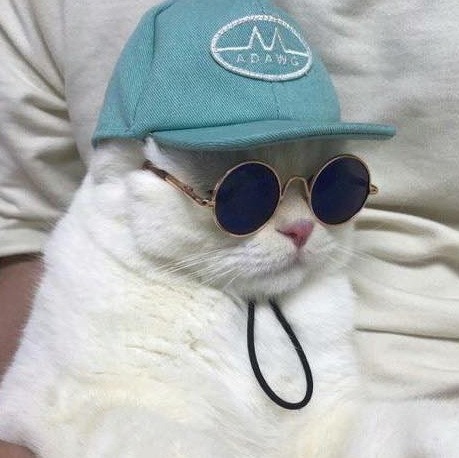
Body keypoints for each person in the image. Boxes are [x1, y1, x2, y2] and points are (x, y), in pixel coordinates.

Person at [1, 0, 458, 456]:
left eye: (328, 185)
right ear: (128, 170)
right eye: (240, 193)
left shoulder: (319, 289)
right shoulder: (96, 272)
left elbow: (328, 437)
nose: (300, 224)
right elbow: (59, 418)